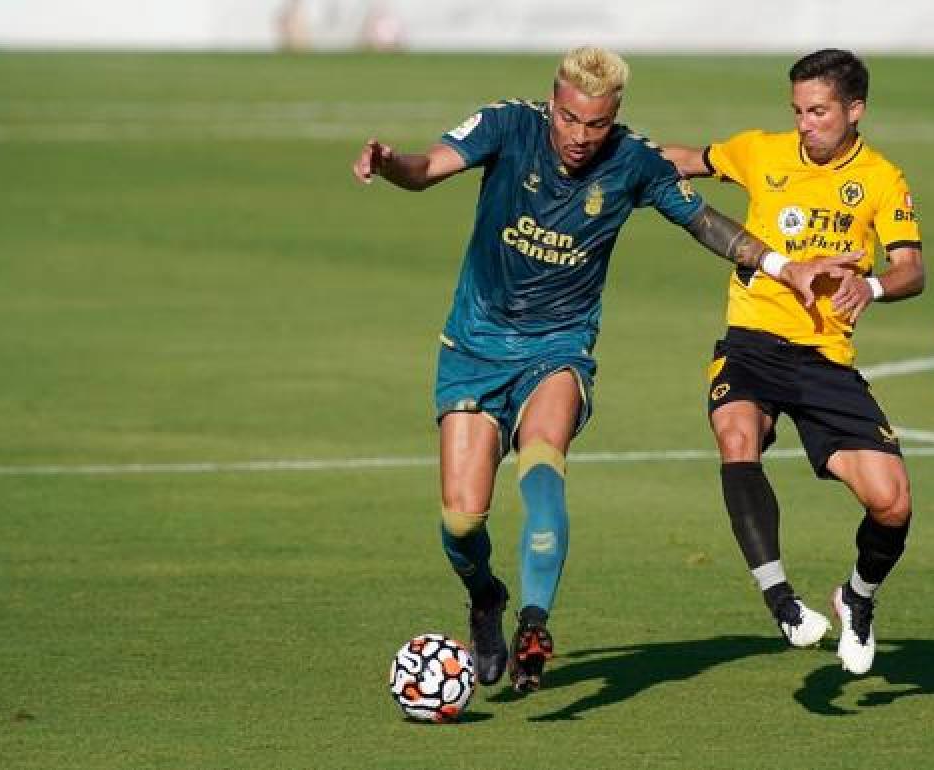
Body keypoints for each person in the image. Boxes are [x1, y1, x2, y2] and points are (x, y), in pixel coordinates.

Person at [352, 46, 848, 693]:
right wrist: (391, 165)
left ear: (614, 116)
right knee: (462, 520)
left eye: (596, 125)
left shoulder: (634, 161)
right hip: (475, 347)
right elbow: (425, 170)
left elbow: (707, 224)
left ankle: (534, 622)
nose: (581, 137)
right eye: (569, 119)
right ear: (552, 101)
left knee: (543, 453)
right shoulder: (506, 126)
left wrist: (785, 267)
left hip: (558, 347)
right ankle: (487, 598)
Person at [663, 49, 925, 676]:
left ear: (854, 110)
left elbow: (912, 268)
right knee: (736, 436)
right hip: (752, 339)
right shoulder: (761, 151)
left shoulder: (883, 180)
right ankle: (782, 600)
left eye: (818, 111)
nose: (805, 123)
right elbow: (688, 160)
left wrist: (875, 288)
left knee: (892, 504)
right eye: (798, 110)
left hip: (825, 361)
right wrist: (619, 154)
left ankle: (857, 599)